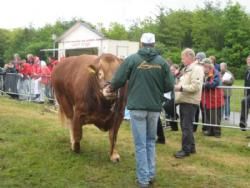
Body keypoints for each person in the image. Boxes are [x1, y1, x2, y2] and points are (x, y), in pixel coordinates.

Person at [110, 33, 174, 188]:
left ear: (141, 43)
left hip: (137, 107)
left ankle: (143, 180)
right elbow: (169, 85)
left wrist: (110, 87)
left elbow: (118, 80)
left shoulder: (132, 59)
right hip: (154, 108)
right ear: (154, 44)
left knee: (140, 144)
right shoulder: (162, 63)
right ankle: (150, 175)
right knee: (150, 141)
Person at [174, 48, 204, 158]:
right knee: (186, 126)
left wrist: (180, 88)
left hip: (190, 101)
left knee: (186, 126)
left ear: (189, 56)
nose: (182, 60)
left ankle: (185, 150)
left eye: (183, 57)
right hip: (185, 100)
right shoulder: (188, 69)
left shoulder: (196, 69)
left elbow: (195, 86)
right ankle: (191, 147)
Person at [201, 58, 224, 137]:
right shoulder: (203, 74)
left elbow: (214, 84)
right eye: (203, 67)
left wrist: (204, 84)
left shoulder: (216, 73)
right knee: (208, 116)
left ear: (209, 66)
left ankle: (217, 132)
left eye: (205, 66)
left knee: (215, 117)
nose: (204, 68)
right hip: (206, 99)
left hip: (215, 99)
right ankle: (210, 131)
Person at [193, 52, 206, 132]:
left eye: (198, 58)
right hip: (197, 93)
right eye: (196, 58)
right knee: (195, 111)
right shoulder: (195, 66)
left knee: (204, 110)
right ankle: (194, 127)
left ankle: (205, 127)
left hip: (204, 93)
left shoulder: (205, 66)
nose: (197, 60)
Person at [239, 55, 250, 131]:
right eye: (248, 60)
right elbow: (246, 83)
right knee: (244, 101)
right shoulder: (247, 71)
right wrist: (245, 92)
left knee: (244, 101)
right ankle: (243, 123)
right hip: (248, 93)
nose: (248, 61)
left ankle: (243, 122)